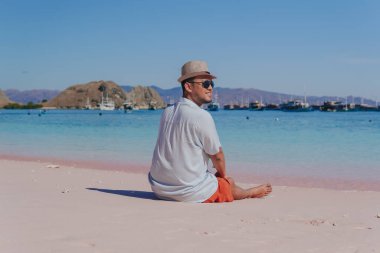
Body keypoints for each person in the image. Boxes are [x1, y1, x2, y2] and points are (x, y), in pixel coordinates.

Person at [148, 60, 272, 203]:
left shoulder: (167, 111)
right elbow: (218, 156)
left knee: (219, 180)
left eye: (212, 84)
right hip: (187, 192)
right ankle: (250, 192)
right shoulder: (201, 116)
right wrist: (222, 176)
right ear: (188, 86)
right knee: (228, 183)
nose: (211, 88)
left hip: (159, 188)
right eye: (205, 84)